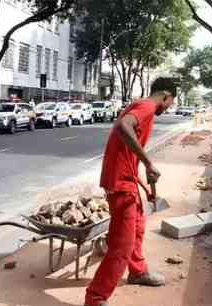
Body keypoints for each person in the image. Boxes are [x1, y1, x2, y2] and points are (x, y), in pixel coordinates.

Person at [84, 77, 177, 306]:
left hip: (126, 178)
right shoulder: (146, 106)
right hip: (120, 182)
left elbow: (125, 151)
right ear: (165, 96)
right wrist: (148, 163)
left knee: (137, 226)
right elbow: (123, 127)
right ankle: (95, 298)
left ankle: (137, 272)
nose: (168, 108)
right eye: (170, 103)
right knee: (122, 244)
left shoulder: (143, 106)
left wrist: (144, 183)